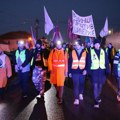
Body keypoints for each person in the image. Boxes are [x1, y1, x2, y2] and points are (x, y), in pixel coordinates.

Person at [87, 39, 110, 108]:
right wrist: (89, 72)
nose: (97, 45)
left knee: (100, 86)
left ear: (100, 45)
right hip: (94, 71)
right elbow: (88, 63)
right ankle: (96, 101)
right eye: (96, 44)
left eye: (98, 44)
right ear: (94, 45)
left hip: (102, 72)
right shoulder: (91, 52)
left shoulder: (103, 52)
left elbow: (106, 62)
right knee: (95, 86)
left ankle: (98, 96)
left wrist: (107, 70)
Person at [48, 40, 68, 104]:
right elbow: (49, 60)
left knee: (61, 84)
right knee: (55, 83)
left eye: (60, 44)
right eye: (57, 44)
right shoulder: (53, 51)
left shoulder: (65, 52)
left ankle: (60, 98)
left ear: (61, 45)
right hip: (54, 71)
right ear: (56, 45)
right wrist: (50, 69)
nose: (58, 45)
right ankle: (58, 91)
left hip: (62, 72)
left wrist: (66, 71)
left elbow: (66, 62)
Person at [68, 40, 87, 105]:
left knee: (81, 84)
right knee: (76, 85)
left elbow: (87, 62)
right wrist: (69, 72)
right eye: (77, 45)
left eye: (79, 45)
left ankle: (81, 93)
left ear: (81, 45)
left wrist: (86, 70)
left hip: (82, 72)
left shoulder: (85, 52)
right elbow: (70, 62)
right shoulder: (72, 52)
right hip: (74, 71)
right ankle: (76, 99)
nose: (77, 46)